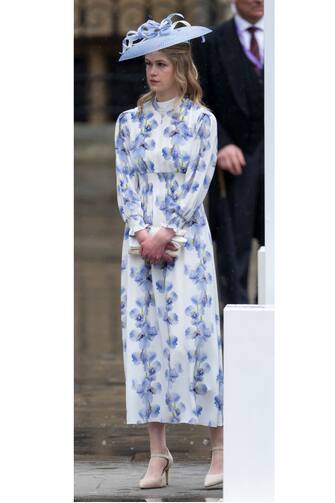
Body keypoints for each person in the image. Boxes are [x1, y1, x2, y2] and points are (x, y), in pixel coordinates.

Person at [114, 13, 223, 490]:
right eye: (148, 64)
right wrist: (142, 232)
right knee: (146, 344)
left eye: (161, 64)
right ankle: (158, 455)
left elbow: (199, 182)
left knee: (195, 339)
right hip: (139, 246)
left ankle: (221, 450)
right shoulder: (127, 123)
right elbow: (126, 182)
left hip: (187, 242)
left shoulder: (202, 121)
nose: (152, 72)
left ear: (180, 67)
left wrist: (167, 232)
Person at [194, 0, 264, 304]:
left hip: (281, 160)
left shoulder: (290, 36)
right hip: (234, 163)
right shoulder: (211, 42)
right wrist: (220, 143)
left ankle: (276, 318)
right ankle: (236, 322)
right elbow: (199, 99)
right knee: (232, 248)